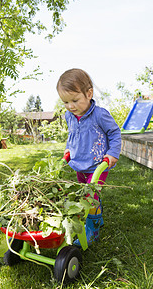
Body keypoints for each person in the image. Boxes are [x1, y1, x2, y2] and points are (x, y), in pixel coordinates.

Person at [56, 68, 121, 246]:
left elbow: (115, 133)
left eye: (75, 100)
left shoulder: (100, 115)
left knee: (90, 196)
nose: (70, 106)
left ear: (89, 93)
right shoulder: (70, 116)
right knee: (83, 194)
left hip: (98, 165)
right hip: (79, 164)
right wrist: (68, 150)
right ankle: (95, 216)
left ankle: (92, 230)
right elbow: (72, 135)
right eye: (66, 102)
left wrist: (112, 153)